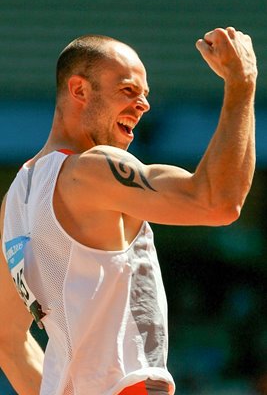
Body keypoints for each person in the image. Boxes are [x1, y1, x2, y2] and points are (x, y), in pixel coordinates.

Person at [0, 27, 257, 395]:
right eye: (128, 90)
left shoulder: (15, 198)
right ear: (79, 90)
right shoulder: (93, 167)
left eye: (145, 95)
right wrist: (242, 83)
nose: (144, 104)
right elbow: (218, 201)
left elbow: (6, 340)